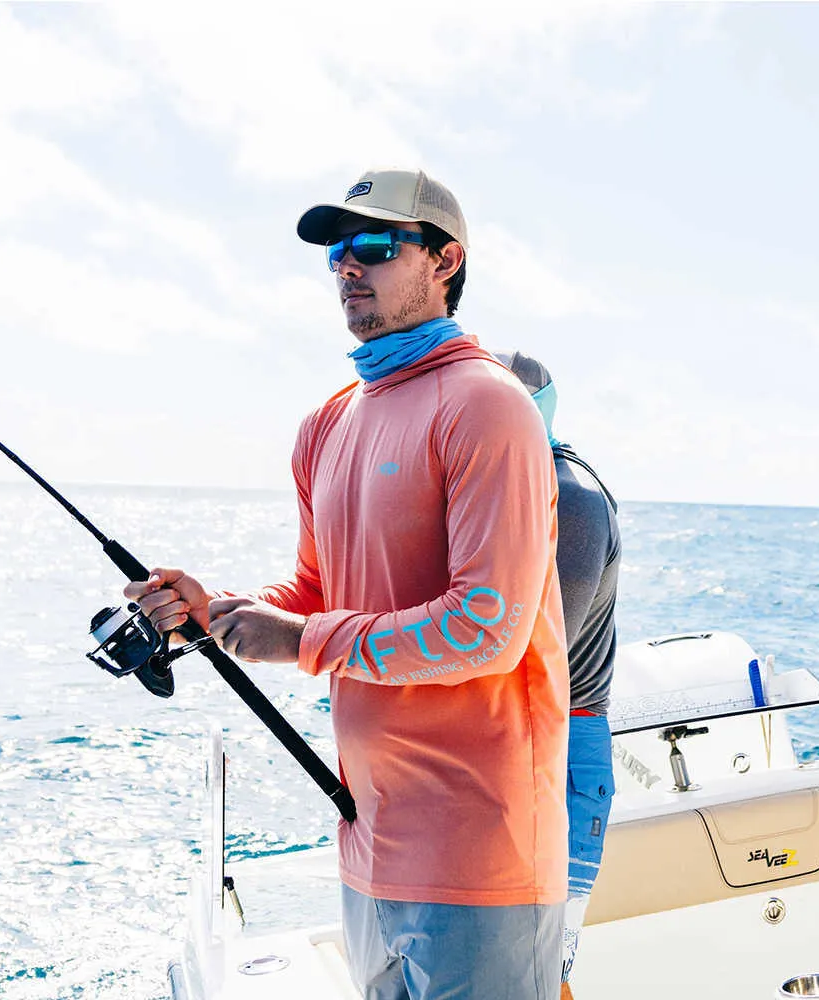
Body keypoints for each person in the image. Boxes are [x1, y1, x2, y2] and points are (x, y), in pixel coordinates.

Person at [126, 169, 570, 1000]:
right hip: (368, 836)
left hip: (483, 849)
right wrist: (212, 614)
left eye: (374, 245)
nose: (347, 267)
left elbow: (486, 627)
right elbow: (312, 590)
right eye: (336, 251)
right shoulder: (328, 423)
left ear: (445, 261)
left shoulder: (486, 405)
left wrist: (298, 642)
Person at [495, 351, 620, 999]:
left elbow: (532, 657)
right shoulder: (516, 486)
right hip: (521, 749)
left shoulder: (570, 500)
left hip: (562, 757)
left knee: (542, 974)